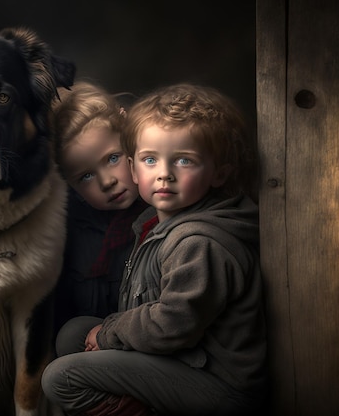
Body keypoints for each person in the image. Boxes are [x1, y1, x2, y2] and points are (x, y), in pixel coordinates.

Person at [42, 83, 267, 416]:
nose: (164, 175)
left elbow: (173, 324)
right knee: (73, 334)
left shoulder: (198, 242)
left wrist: (109, 333)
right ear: (136, 167)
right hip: (182, 357)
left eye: (184, 162)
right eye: (150, 160)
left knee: (60, 378)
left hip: (216, 383)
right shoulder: (153, 222)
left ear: (219, 173)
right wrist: (107, 332)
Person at [51, 81, 148, 334]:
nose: (107, 182)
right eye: (86, 176)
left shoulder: (167, 205)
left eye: (112, 158)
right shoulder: (69, 230)